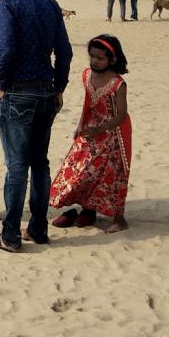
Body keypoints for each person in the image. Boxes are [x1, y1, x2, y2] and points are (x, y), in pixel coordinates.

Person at [0, 0, 72, 254]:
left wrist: (1, 84)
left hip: (18, 92)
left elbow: (5, 50)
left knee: (17, 166)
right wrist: (59, 86)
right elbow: (65, 51)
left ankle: (10, 235)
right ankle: (38, 228)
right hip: (46, 91)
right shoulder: (49, 3)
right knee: (40, 163)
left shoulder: (8, 5)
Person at [50, 35, 132, 234]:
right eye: (92, 57)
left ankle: (119, 219)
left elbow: (121, 115)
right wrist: (81, 125)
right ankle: (87, 209)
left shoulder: (118, 84)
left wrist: (101, 129)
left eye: (100, 58)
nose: (94, 61)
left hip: (113, 136)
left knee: (111, 176)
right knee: (78, 169)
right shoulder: (87, 75)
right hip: (90, 130)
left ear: (112, 59)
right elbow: (87, 104)